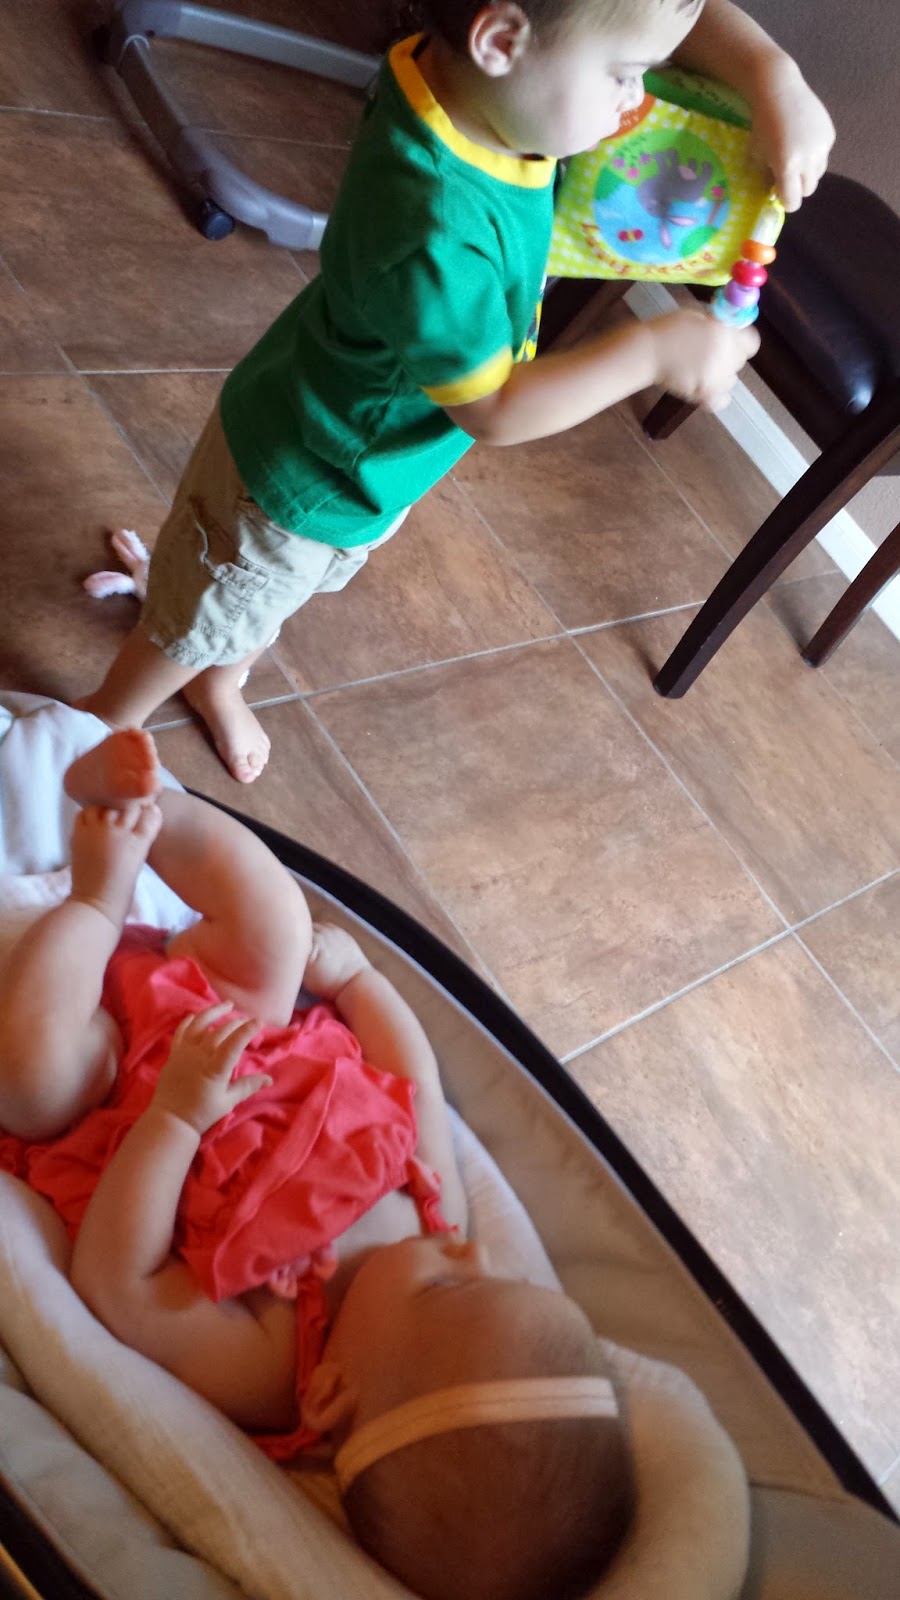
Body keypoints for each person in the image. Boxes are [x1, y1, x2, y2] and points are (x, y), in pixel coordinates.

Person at [75, 0, 834, 785]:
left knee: (258, 604)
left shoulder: (474, 95)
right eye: (623, 75)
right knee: (204, 617)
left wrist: (773, 76)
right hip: (300, 479)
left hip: (368, 463)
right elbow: (492, 409)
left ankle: (219, 678)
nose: (636, 100)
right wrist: (649, 350)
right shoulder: (433, 226)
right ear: (500, 40)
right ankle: (96, 727)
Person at [0, 729, 632, 1600]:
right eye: (505, 1275)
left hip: (114, 1096)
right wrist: (361, 983)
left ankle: (98, 895)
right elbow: (414, 1081)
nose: (474, 1251)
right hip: (244, 1018)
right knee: (277, 925)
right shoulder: (435, 1219)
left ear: (333, 1396)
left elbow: (121, 1283)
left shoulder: (271, 1367)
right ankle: (136, 807)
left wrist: (177, 1116)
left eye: (452, 1289)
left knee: (27, 1077)